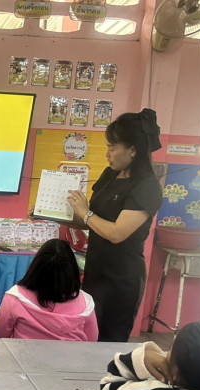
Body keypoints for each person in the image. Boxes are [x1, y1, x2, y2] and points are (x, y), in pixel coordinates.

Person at [66, 108, 163, 341]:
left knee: (108, 342)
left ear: (132, 150)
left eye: (112, 148)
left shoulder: (147, 186)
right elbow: (92, 222)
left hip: (121, 280)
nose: (107, 154)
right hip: (96, 272)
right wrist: (47, 214)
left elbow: (117, 233)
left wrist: (85, 212)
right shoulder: (110, 175)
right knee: (86, 337)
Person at [0, 239, 98, 341]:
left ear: (35, 268)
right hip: (74, 353)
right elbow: (92, 340)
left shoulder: (15, 297)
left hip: (24, 352)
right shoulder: (86, 303)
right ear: (72, 271)